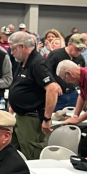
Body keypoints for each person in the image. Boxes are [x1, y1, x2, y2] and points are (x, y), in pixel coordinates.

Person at [8, 31, 61, 159]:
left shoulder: (37, 64)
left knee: (31, 155)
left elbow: (52, 89)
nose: (11, 52)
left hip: (31, 119)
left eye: (13, 48)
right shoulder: (23, 62)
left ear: (22, 47)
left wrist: (47, 118)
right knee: (14, 154)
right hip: (19, 117)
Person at [45, 34, 86, 111]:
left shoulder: (80, 59)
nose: (78, 51)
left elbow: (82, 76)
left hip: (73, 93)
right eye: (76, 48)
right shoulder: (55, 55)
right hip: (58, 94)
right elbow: (45, 72)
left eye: (81, 49)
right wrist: (53, 83)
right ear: (69, 44)